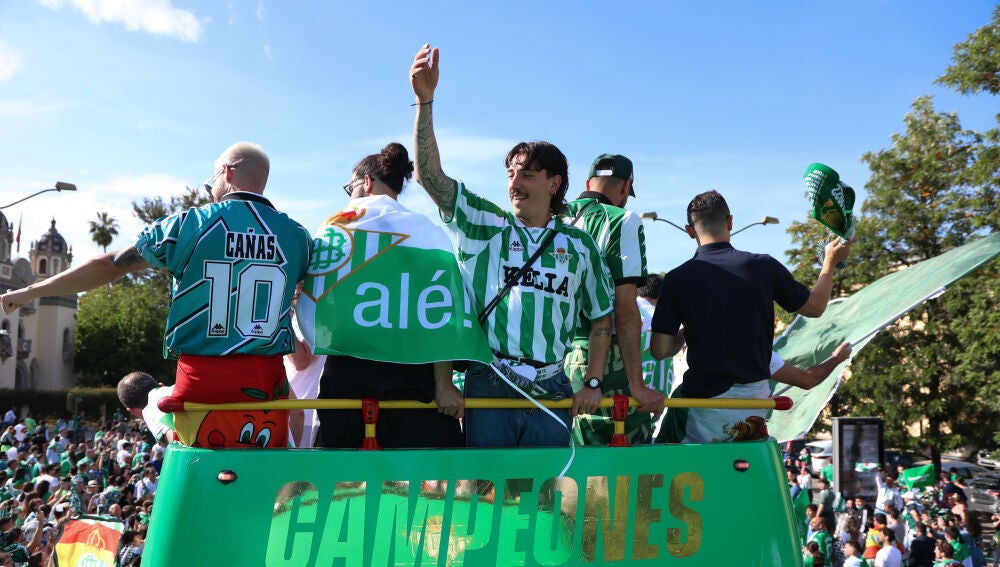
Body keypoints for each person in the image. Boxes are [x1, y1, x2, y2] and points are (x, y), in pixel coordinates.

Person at [1, 143, 312, 449]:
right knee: (262, 484)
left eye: (212, 181)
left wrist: (31, 291)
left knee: (204, 481)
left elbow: (107, 265)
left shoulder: (189, 226)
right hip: (267, 383)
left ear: (226, 173)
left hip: (204, 382)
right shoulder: (297, 237)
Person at [409, 44, 615, 447]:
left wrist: (592, 381)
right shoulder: (487, 224)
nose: (514, 183)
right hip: (490, 380)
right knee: (484, 492)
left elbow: (602, 320)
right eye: (510, 173)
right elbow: (430, 177)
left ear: (554, 184)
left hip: (553, 385)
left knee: (543, 499)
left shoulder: (580, 245)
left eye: (527, 174)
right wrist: (424, 101)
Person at [650, 190, 851, 443]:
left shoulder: (678, 278)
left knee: (681, 472)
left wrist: (685, 333)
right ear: (730, 222)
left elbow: (659, 350)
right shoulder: (763, 266)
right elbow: (815, 308)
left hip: (701, 406)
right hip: (754, 404)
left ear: (690, 230)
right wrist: (829, 263)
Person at [306, 143, 465, 449]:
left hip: (347, 373)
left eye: (350, 186)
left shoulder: (338, 226)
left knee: (342, 483)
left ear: (366, 182)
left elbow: (315, 306)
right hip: (413, 375)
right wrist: (444, 384)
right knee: (423, 483)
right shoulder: (427, 231)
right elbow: (443, 314)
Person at [563, 153, 664, 445]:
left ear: (588, 183)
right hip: (604, 361)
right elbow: (625, 308)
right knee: (617, 469)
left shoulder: (553, 216)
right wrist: (637, 385)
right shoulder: (622, 219)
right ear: (625, 188)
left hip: (553, 362)